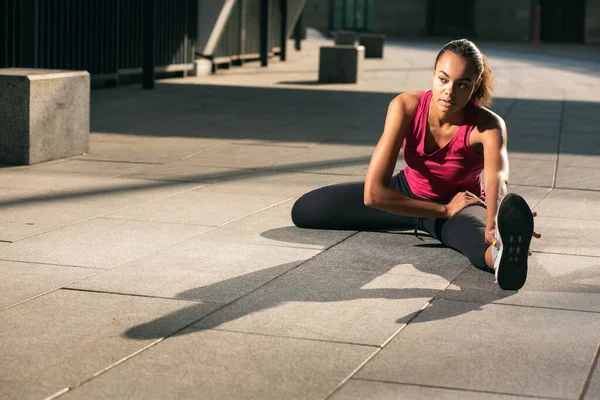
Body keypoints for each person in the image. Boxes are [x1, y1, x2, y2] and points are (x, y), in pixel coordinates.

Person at [291, 38, 540, 290]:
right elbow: (373, 194)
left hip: (459, 203)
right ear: (433, 75)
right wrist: (442, 211)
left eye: (462, 84)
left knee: (481, 242)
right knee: (305, 210)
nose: (450, 92)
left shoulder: (488, 126)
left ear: (475, 85)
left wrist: (496, 220)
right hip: (407, 194)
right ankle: (431, 220)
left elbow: (498, 177)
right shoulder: (405, 106)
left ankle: (501, 257)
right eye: (443, 79)